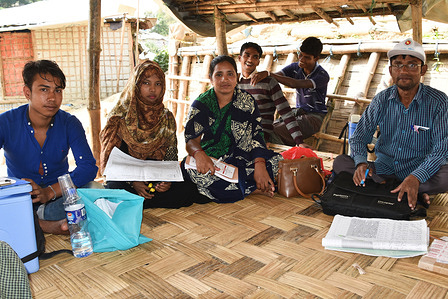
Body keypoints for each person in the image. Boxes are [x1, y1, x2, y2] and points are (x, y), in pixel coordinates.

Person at [333, 38, 448, 210]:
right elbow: (358, 138)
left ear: (423, 70)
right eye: (397, 65)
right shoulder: (382, 99)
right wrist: (361, 163)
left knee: (446, 176)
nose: (404, 71)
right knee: (341, 163)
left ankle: (396, 187)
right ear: (390, 70)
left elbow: (441, 149)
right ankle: (406, 191)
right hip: (383, 170)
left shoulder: (439, 102)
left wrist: (416, 176)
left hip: (419, 170)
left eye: (412, 65)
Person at [0, 60, 98, 234]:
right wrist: (14, 188)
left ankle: (36, 221)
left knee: (96, 192)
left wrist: (49, 192)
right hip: (22, 200)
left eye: (58, 90)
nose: (52, 98)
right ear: (27, 92)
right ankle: (46, 225)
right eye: (44, 89)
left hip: (59, 198)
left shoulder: (69, 124)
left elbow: (88, 167)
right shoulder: (6, 123)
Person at [100, 60, 210, 208]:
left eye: (158, 84)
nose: (153, 89)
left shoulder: (166, 117)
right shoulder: (119, 118)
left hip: (155, 176)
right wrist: (133, 181)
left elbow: (171, 156)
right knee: (115, 189)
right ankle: (138, 200)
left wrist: (167, 180)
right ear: (136, 85)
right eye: (146, 83)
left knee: (187, 189)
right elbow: (110, 162)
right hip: (126, 178)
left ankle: (139, 203)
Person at [181, 55, 283, 203]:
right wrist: (199, 154)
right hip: (213, 160)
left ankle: (246, 184)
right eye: (219, 75)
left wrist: (259, 164)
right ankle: (254, 188)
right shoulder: (202, 104)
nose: (225, 79)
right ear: (211, 78)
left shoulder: (247, 101)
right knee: (192, 171)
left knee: (276, 162)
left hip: (243, 157)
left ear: (237, 77)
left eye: (230, 74)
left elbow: (257, 135)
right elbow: (191, 140)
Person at [251, 37, 330, 146]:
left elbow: (295, 84)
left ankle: (280, 156)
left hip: (314, 117)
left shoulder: (322, 75)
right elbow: (274, 78)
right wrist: (260, 78)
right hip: (298, 112)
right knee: (267, 128)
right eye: (300, 55)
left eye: (306, 57)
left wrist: (269, 74)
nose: (301, 59)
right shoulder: (295, 67)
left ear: (316, 58)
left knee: (274, 132)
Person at [237, 42, 305, 147]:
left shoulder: (269, 82)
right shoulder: (233, 82)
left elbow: (286, 113)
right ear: (239, 58)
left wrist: (299, 142)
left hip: (259, 138)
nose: (250, 60)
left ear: (258, 62)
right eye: (247, 55)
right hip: (236, 136)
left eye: (255, 57)